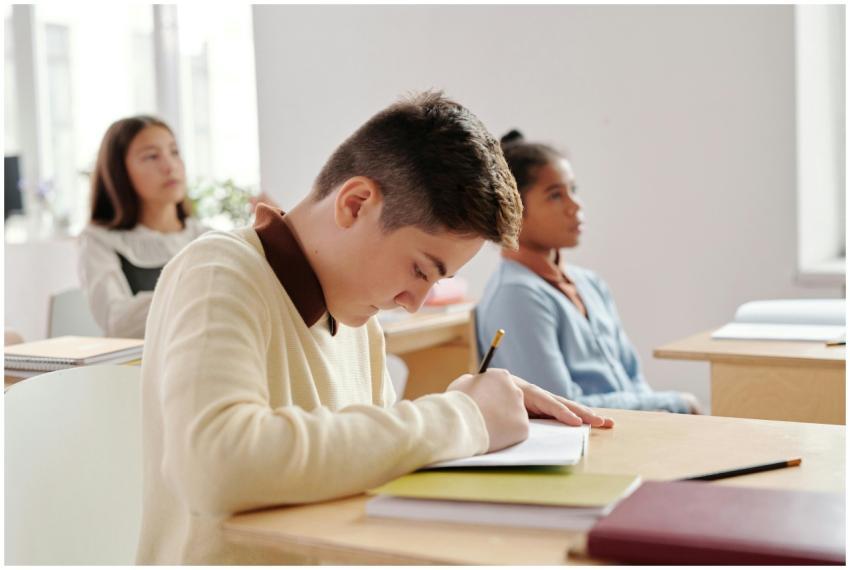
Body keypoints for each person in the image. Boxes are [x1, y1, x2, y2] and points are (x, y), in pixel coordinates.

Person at [136, 93, 614, 564]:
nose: (414, 304)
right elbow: (216, 466)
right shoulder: (219, 271)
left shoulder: (355, 318)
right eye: (421, 270)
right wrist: (462, 417)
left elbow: (357, 468)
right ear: (357, 203)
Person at [476, 130, 702, 414]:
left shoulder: (590, 284)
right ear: (514, 209)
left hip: (630, 430)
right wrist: (674, 405)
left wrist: (663, 414)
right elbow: (559, 406)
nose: (575, 205)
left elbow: (633, 379)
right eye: (556, 195)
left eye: (574, 190)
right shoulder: (516, 296)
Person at [77, 116, 207, 338]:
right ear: (120, 172)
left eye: (174, 152)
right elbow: (117, 323)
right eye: (152, 156)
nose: (169, 166)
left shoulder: (206, 236)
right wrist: (199, 291)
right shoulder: (99, 240)